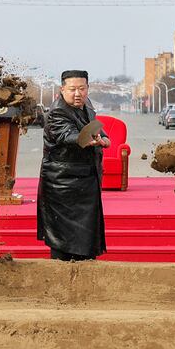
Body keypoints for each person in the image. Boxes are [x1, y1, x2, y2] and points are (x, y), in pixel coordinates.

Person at [37, 70, 109, 261]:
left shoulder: (88, 105)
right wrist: (87, 140)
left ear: (87, 88)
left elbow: (96, 127)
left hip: (86, 181)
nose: (78, 94)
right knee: (63, 241)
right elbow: (66, 135)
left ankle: (85, 279)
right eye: (72, 89)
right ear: (62, 89)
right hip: (62, 183)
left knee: (87, 240)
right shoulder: (57, 111)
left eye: (82, 88)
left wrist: (104, 139)